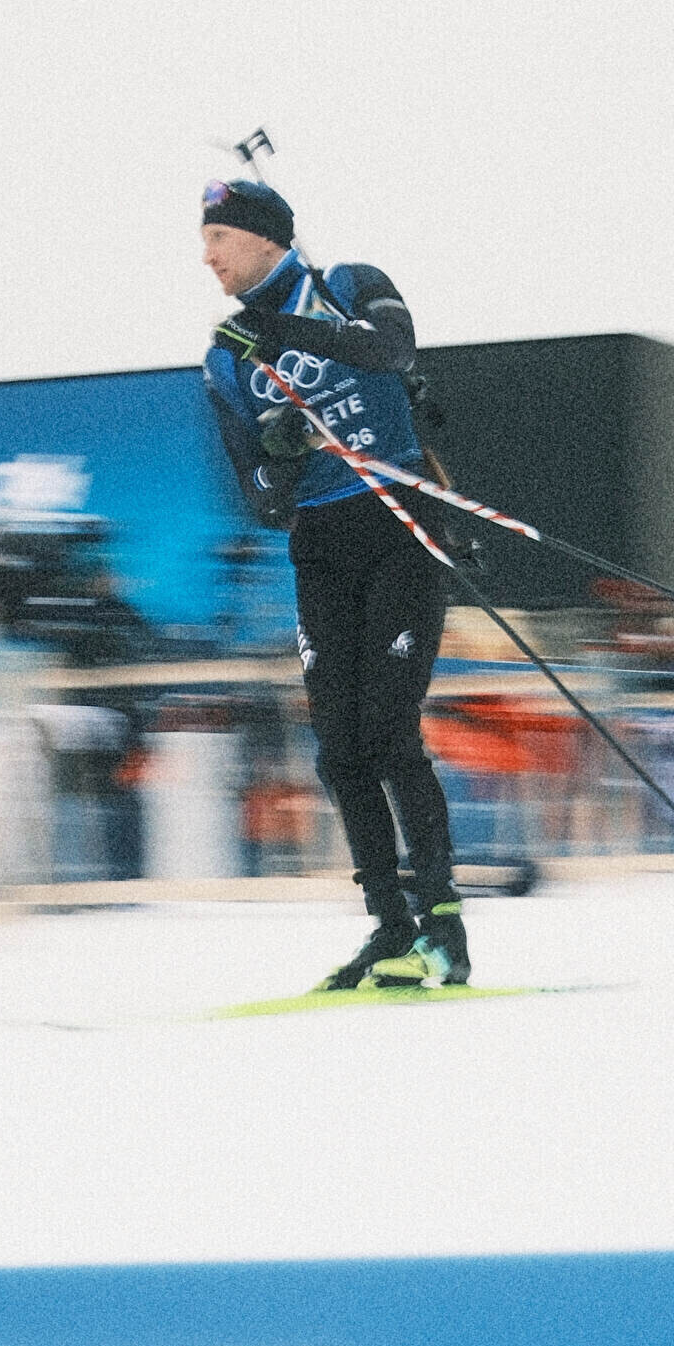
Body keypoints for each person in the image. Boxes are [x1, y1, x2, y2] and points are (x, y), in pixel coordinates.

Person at [201, 177, 469, 989]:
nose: (207, 257)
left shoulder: (350, 284)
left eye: (219, 238)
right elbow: (261, 499)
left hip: (398, 520)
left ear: (264, 237)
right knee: (340, 749)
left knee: (390, 731)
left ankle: (444, 927)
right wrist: (284, 451)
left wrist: (284, 331)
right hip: (321, 545)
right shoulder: (225, 355)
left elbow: (392, 352)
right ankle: (390, 927)